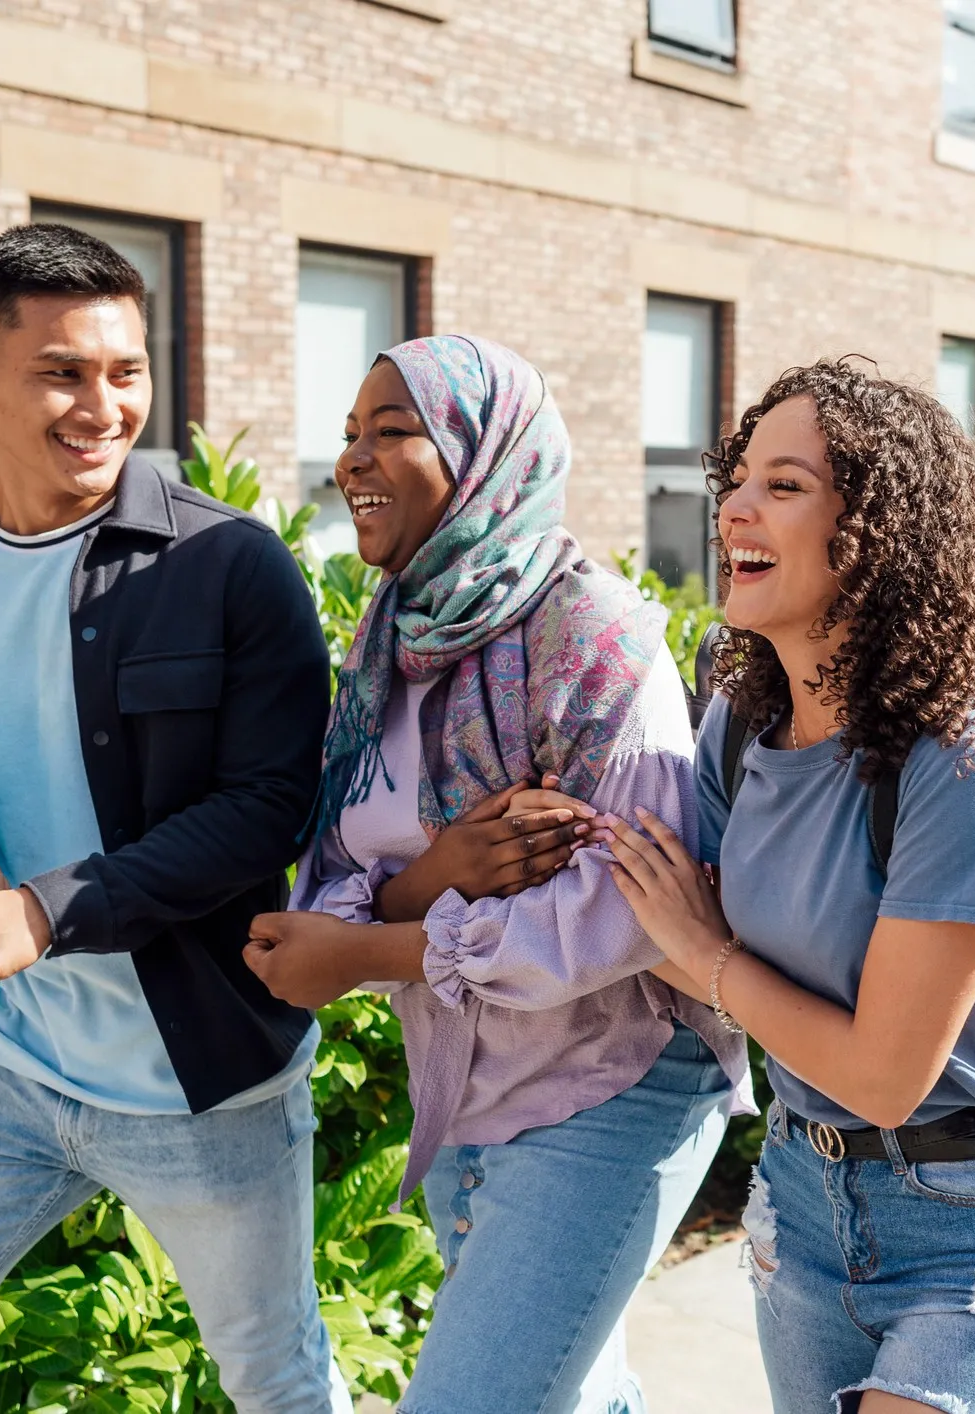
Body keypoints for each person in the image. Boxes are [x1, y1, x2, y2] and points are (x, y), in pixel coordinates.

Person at [0, 226, 343, 1409]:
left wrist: (42, 912)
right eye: (62, 372)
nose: (104, 405)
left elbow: (268, 811)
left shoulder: (233, 565)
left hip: (204, 1087)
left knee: (277, 1381)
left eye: (125, 370)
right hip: (7, 1065)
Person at [239, 334, 754, 1414]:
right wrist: (427, 881)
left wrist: (374, 949)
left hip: (612, 1087)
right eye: (347, 436)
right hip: (466, 1087)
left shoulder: (594, 637)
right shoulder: (392, 642)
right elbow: (332, 867)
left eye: (392, 431)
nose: (352, 462)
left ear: (488, 457)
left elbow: (630, 905)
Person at [597, 359, 975, 1414]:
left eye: (784, 485)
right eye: (738, 477)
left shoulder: (968, 758)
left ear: (879, 534)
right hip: (802, 1199)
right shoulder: (740, 726)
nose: (735, 502)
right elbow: (681, 935)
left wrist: (709, 958)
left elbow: (884, 1075)